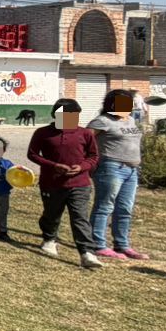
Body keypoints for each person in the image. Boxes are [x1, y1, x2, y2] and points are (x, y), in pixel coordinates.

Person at [27, 98, 102, 269]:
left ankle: (86, 253)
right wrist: (54, 166)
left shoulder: (85, 134)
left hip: (79, 184)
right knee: (51, 214)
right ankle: (49, 238)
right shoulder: (43, 133)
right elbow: (32, 154)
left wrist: (82, 167)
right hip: (51, 183)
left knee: (80, 218)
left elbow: (93, 157)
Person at [89, 88, 149, 261]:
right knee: (105, 206)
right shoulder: (102, 121)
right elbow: (85, 140)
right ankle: (98, 244)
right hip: (111, 168)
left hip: (131, 170)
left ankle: (122, 245)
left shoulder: (130, 120)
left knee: (125, 209)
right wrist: (90, 163)